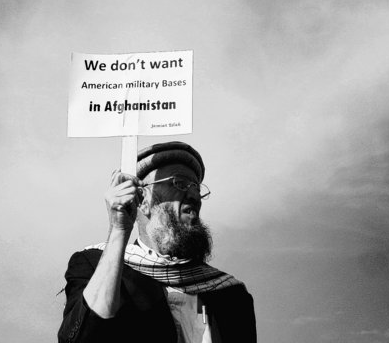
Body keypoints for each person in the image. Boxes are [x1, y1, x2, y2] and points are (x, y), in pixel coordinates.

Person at [58, 141, 256, 342]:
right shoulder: (93, 263)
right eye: (179, 183)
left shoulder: (231, 295)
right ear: (143, 200)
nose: (195, 195)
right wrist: (119, 230)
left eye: (197, 187)